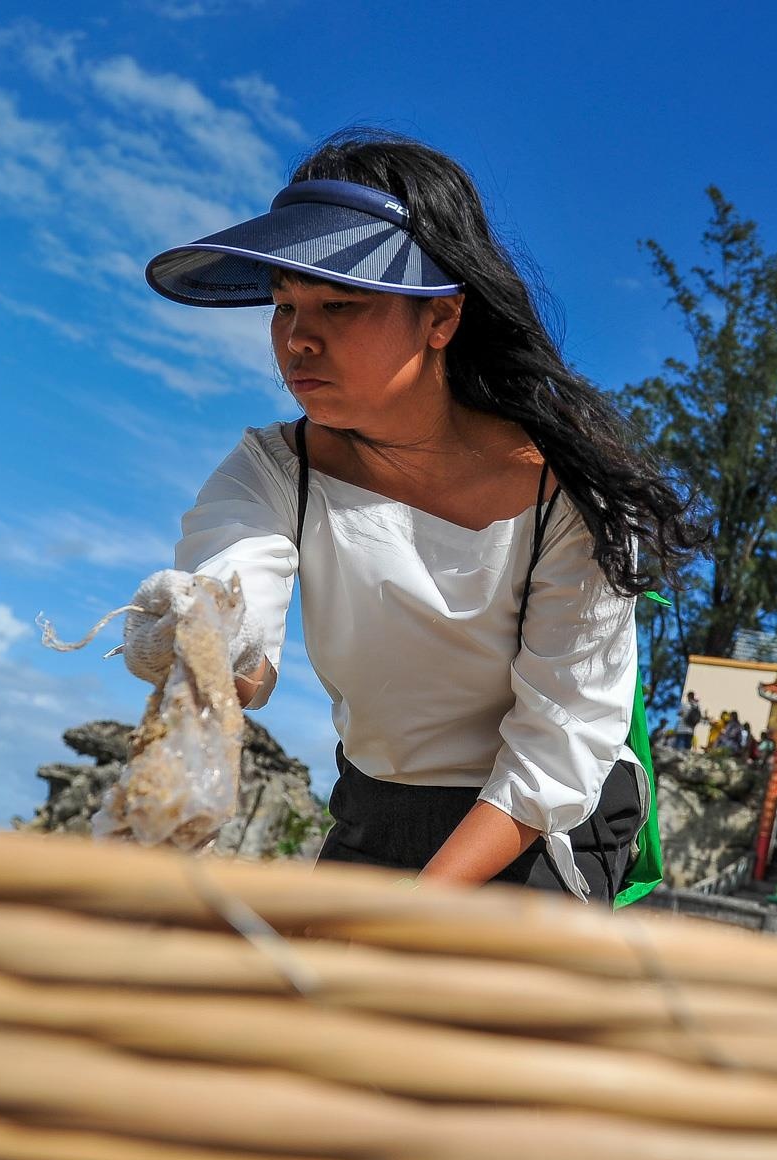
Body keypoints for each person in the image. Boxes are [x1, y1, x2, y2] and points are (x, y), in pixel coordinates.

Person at [128, 129, 698, 904]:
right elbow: (239, 612)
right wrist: (205, 640)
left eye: (340, 303)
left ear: (442, 319)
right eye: (285, 305)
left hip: (541, 829)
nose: (298, 338)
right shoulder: (274, 467)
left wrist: (407, 913)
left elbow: (556, 752)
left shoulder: (567, 497)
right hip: (375, 802)